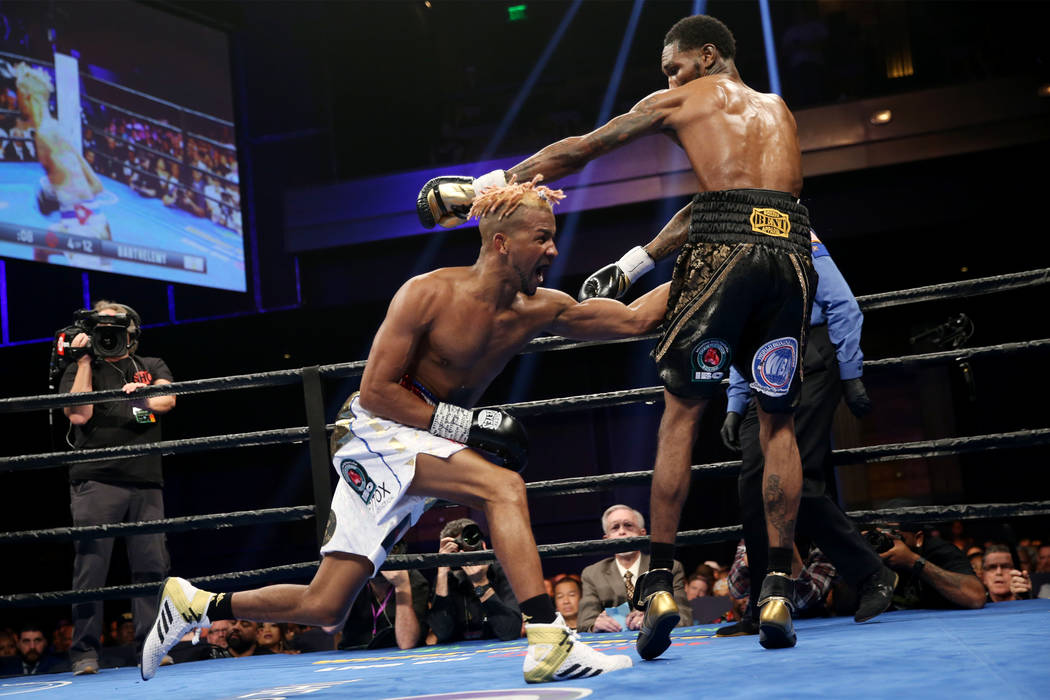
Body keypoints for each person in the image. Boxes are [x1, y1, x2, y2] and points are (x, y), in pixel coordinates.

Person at [142, 176, 674, 684]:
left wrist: (708, 265)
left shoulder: (539, 309)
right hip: (373, 428)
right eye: (543, 239)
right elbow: (376, 391)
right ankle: (548, 641)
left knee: (325, 605)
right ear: (502, 243)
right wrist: (462, 423)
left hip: (417, 440)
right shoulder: (428, 294)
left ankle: (195, 603)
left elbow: (632, 321)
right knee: (501, 486)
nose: (555, 251)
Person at [417, 13, 816, 655]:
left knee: (682, 413)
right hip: (791, 256)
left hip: (725, 260)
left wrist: (484, 191)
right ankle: (777, 588)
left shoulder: (686, 97)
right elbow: (733, 200)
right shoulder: (780, 111)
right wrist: (638, 261)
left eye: (673, 66)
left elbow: (581, 148)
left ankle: (656, 578)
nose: (668, 78)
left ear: (706, 55)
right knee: (779, 423)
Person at [716, 230, 896, 636]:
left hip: (810, 356)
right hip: (760, 367)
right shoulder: (723, 241)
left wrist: (851, 374)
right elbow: (741, 329)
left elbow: (843, 304)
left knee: (799, 482)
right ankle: (767, 604)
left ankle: (871, 573)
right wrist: (735, 403)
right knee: (751, 485)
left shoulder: (791, 231)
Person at [60, 301, 175, 676]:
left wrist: (138, 396)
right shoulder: (81, 368)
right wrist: (82, 362)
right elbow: (79, 414)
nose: (109, 336)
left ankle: (150, 646)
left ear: (131, 333)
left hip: (145, 479)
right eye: (101, 329)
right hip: (96, 479)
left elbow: (166, 400)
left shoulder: (150, 365)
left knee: (151, 566)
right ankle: (84, 653)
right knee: (91, 569)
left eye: (116, 329)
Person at [15, 63, 112, 269]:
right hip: (98, 223)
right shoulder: (57, 130)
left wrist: (52, 198)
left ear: (27, 97)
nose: (17, 103)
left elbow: (78, 192)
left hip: (83, 230)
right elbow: (96, 186)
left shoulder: (43, 136)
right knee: (40, 247)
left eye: (18, 96)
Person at [577, 505, 691, 634]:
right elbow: (584, 624)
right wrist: (595, 625)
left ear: (642, 534)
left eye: (628, 525)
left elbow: (684, 618)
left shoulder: (669, 567)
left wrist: (655, 620)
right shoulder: (592, 574)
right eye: (615, 527)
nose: (622, 532)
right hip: (612, 646)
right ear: (606, 539)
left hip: (656, 640)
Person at [428, 518, 520, 644]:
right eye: (459, 547)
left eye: (471, 543)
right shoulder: (446, 579)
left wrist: (481, 583)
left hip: (498, 648)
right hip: (459, 655)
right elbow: (442, 632)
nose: (466, 552)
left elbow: (510, 632)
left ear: (483, 545)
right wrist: (442, 569)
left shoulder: (502, 571)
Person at [869, 520, 986, 611]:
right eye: (883, 535)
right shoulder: (876, 550)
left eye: (894, 536)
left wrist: (914, 562)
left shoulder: (940, 551)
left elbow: (976, 597)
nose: (889, 542)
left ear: (918, 538)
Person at [341, 563, 429, 650]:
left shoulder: (413, 579)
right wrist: (350, 585)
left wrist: (402, 586)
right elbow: (331, 627)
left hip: (399, 656)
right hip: (353, 655)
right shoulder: (352, 578)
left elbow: (406, 643)